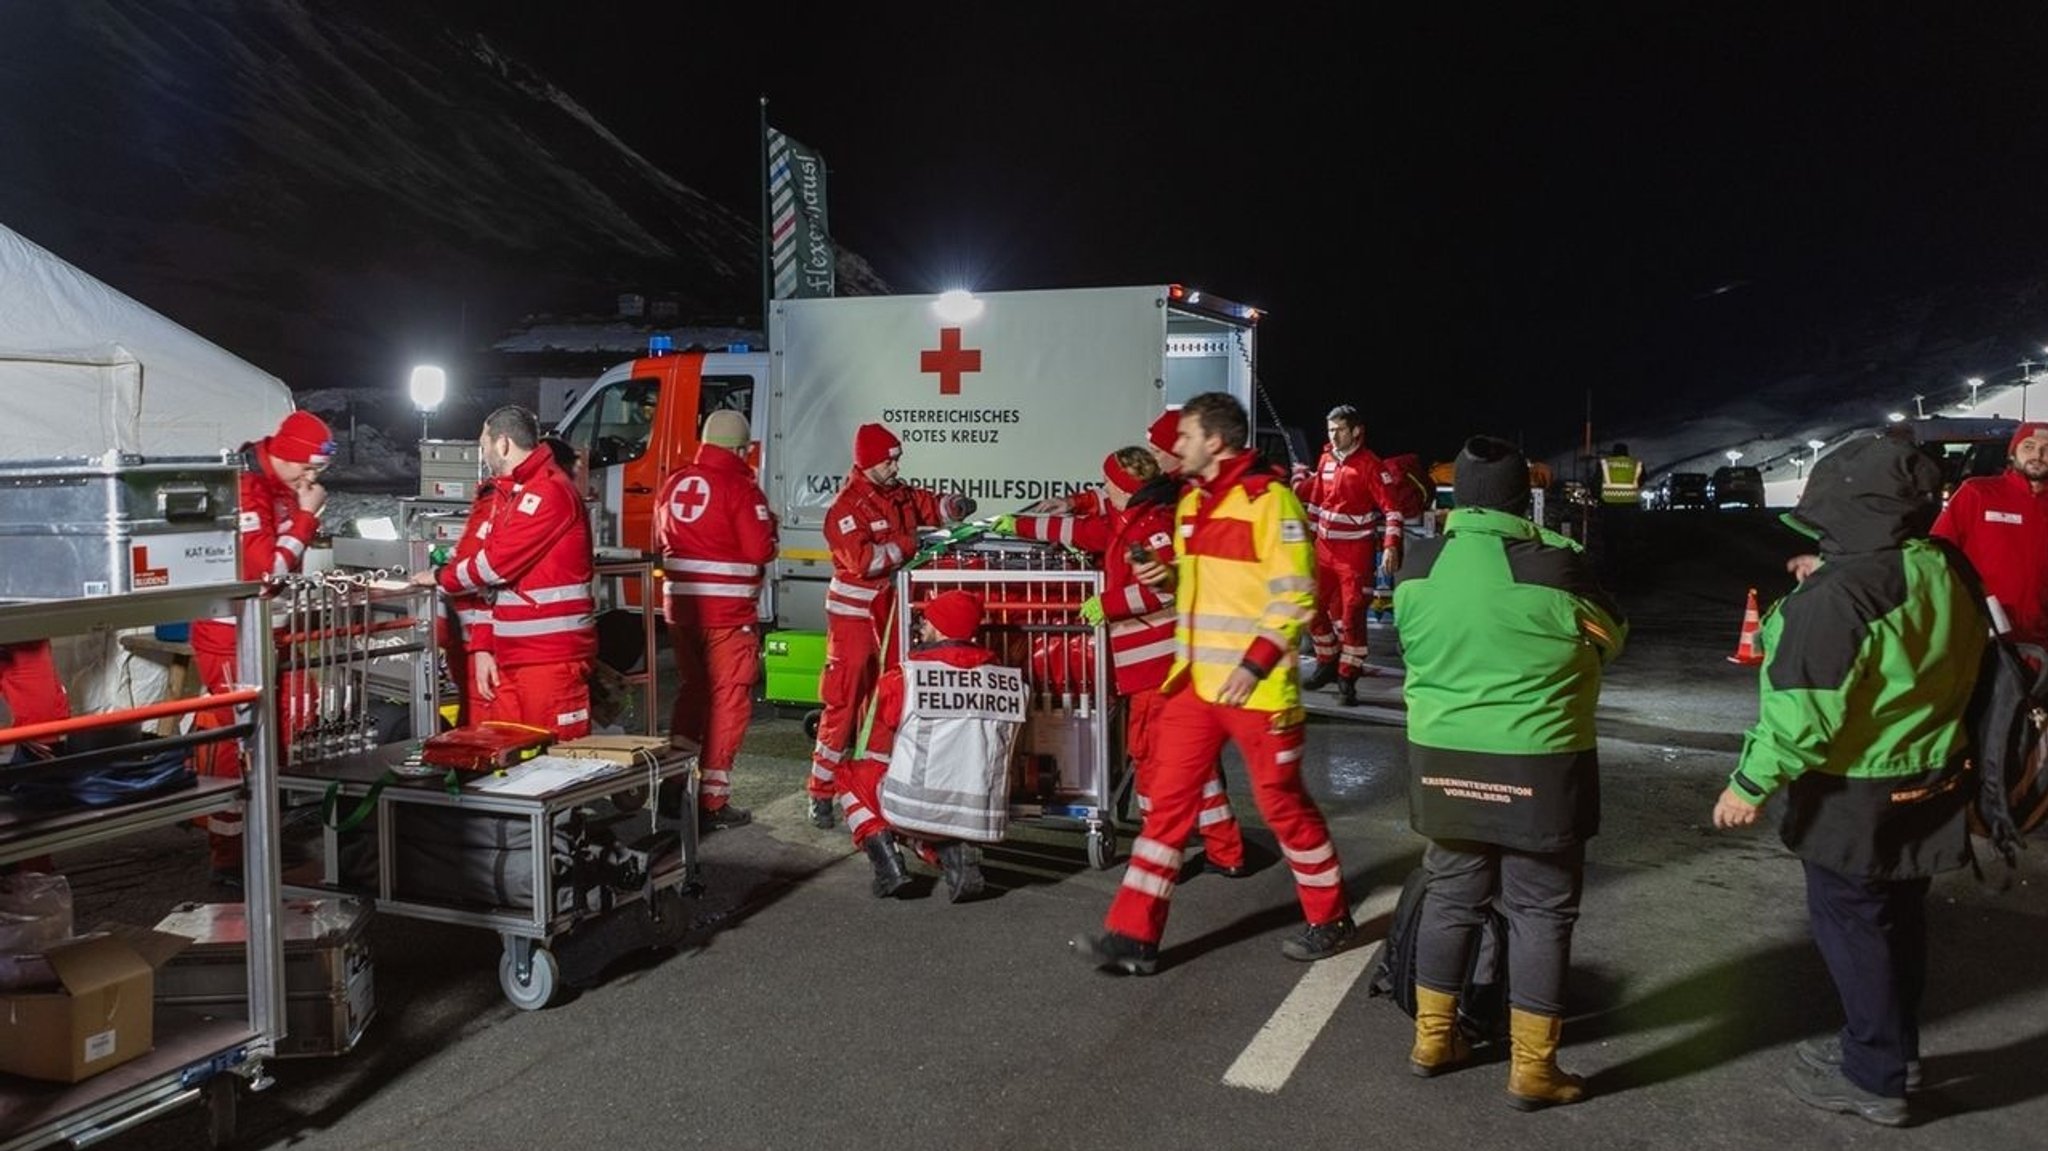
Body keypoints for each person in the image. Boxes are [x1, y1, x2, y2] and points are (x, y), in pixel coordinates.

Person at [1710, 434, 1983, 1129]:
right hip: (1933, 775)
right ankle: (1894, 1049)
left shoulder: (1841, 595)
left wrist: (1748, 783)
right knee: (1899, 916)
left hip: (1856, 790)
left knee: (1853, 925)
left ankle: (1874, 1075)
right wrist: (1827, 574)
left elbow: (1802, 713)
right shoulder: (1940, 563)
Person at [1071, 392, 1354, 975]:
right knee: (1168, 808)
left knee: (1282, 805)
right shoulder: (1194, 504)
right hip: (1197, 684)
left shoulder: (1269, 502)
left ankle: (1331, 917)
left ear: (1215, 441)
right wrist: (1168, 574)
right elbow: (1200, 591)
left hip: (1258, 689)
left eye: (1185, 435)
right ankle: (1132, 936)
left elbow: (1296, 596)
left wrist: (1253, 665)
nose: (1174, 446)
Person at [1391, 434, 1627, 1109]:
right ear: (1526, 498)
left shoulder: (1416, 566)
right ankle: (1532, 1068)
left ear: (1455, 495)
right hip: (1539, 764)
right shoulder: (1554, 566)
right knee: (1540, 910)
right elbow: (1615, 637)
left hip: (1442, 759)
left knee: (1451, 895)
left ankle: (1433, 1040)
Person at [998, 447, 1248, 877]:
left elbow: (1163, 589)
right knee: (1193, 763)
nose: (1102, 487)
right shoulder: (1129, 520)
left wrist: (1108, 603)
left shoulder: (1151, 528)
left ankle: (1161, 856)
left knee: (1149, 757)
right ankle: (1227, 851)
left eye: (1107, 481)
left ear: (1124, 486)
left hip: (1160, 668)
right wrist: (1017, 523)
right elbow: (1081, 532)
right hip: (1154, 668)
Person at [187, 409, 334, 884]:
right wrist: (307, 518)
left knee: (289, 715)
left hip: (262, 631)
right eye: (306, 468)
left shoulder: (276, 486)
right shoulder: (248, 489)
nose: (310, 479)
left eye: (318, 472)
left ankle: (261, 831)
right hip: (230, 634)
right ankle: (228, 854)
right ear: (286, 454)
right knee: (238, 741)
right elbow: (265, 576)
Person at [809, 422, 971, 829]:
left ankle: (869, 785)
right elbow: (864, 563)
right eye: (889, 459)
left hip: (887, 614)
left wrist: (954, 506)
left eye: (897, 457)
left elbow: (927, 504)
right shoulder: (846, 509)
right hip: (854, 619)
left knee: (884, 704)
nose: (896, 465)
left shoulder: (895, 492)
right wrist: (910, 543)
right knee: (844, 704)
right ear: (867, 462)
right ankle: (821, 791)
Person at [412, 406, 596, 740]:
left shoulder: (547, 491)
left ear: (504, 445)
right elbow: (492, 585)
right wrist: (485, 645)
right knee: (509, 761)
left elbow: (493, 566)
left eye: (484, 445)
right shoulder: (519, 492)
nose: (483, 454)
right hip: (518, 652)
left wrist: (441, 577)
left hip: (548, 656)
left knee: (554, 765)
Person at [844, 589, 1023, 900]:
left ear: (940, 628)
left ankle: (890, 869)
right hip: (982, 816)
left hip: (914, 809)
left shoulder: (905, 677)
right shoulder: (1010, 680)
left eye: (927, 620)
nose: (921, 627)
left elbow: (882, 732)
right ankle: (953, 853)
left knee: (850, 774)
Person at [653, 409, 776, 832]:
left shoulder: (675, 482)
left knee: (693, 695)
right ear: (741, 449)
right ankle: (712, 801)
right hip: (726, 616)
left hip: (681, 610)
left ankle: (672, 785)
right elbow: (761, 549)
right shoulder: (740, 488)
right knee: (728, 702)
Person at [1293, 404, 1403, 705]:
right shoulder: (1326, 458)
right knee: (1310, 607)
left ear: (1356, 431)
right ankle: (1327, 661)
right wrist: (1307, 539)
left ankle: (1347, 676)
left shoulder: (1371, 466)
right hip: (1323, 551)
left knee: (1353, 613)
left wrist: (1391, 545)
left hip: (1355, 553)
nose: (1334, 435)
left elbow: (1392, 510)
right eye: (1330, 429)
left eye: (1340, 429)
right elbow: (1316, 501)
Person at [1929, 420, 2048, 650]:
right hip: (1981, 633)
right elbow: (1938, 554)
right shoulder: (1977, 493)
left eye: (2046, 449)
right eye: (2029, 446)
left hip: (2041, 637)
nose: (2038, 454)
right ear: (2013, 453)